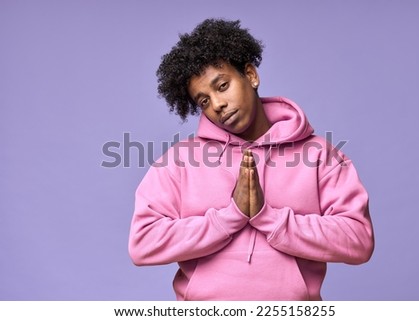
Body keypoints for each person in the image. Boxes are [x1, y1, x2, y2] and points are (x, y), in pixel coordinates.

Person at [128, 18, 374, 301]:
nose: (218, 105)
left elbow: (359, 240)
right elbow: (142, 243)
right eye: (204, 101)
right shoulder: (180, 161)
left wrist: (267, 217)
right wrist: (230, 217)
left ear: (251, 75)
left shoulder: (319, 155)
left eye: (222, 86)